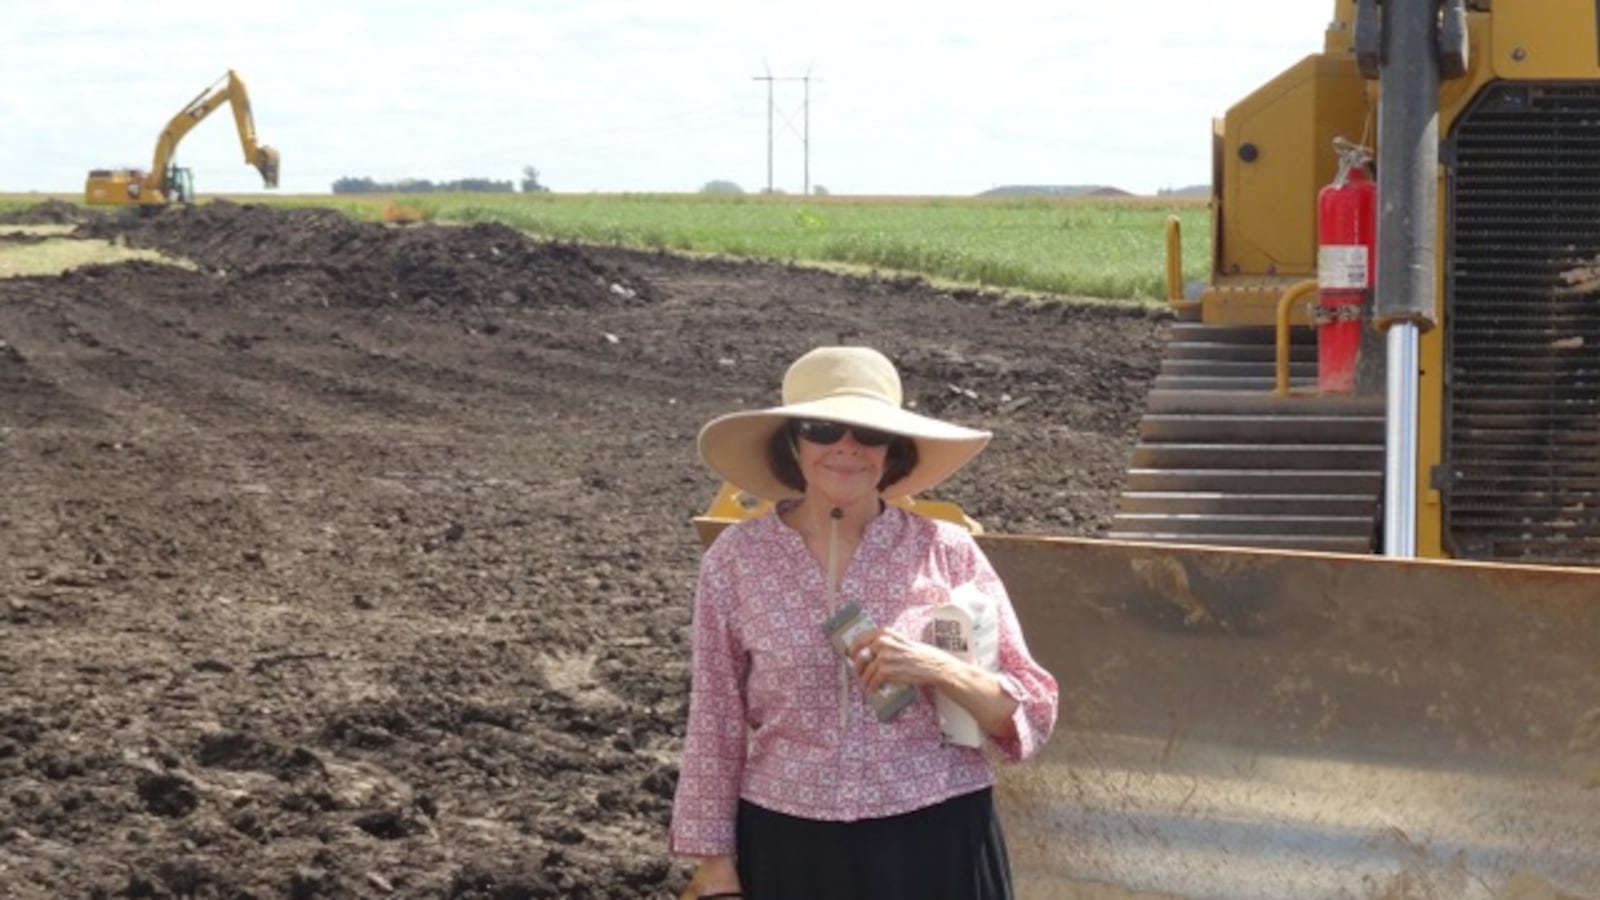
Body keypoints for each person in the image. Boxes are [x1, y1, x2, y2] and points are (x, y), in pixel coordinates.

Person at [670, 345, 1059, 900]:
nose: (847, 446)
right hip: (790, 845)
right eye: (823, 428)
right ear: (793, 443)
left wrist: (938, 668)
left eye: (869, 433)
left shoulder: (946, 551)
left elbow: (1030, 711)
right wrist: (715, 866)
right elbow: (715, 717)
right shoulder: (735, 560)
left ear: (892, 450)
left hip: (938, 837)